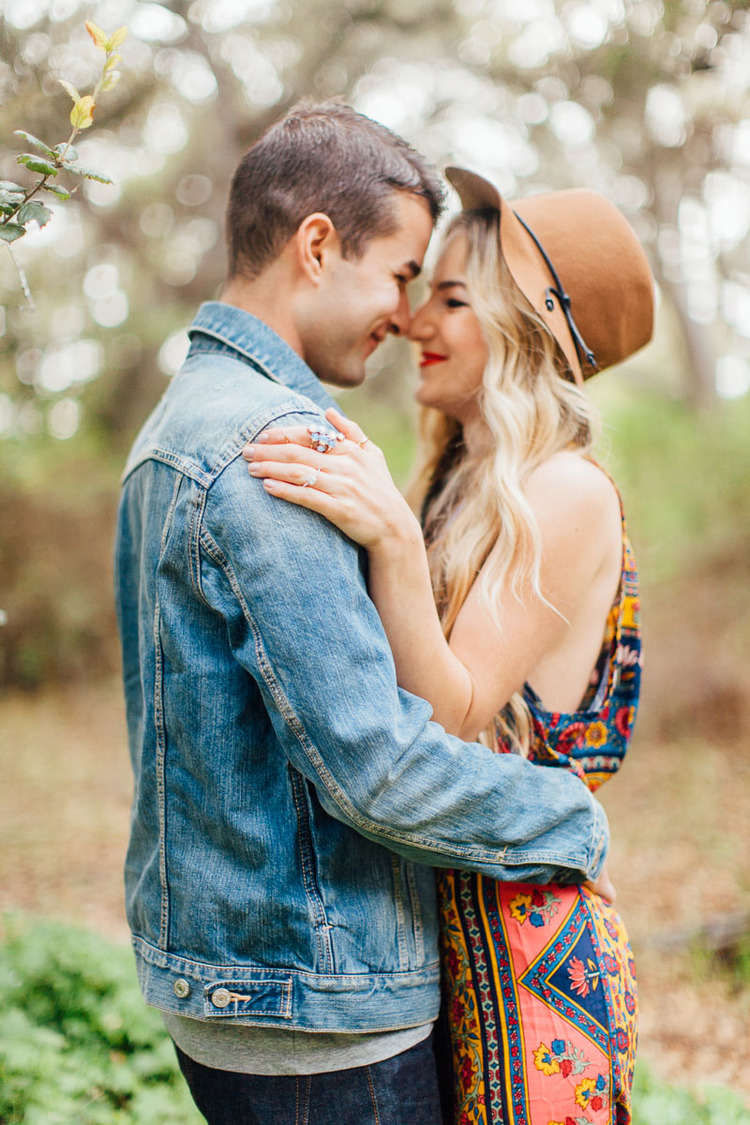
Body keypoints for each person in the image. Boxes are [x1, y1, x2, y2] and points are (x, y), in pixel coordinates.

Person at [115, 104, 611, 1125]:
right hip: (320, 1000)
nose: (410, 314)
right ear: (316, 246)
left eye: (443, 294)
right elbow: (377, 765)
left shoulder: (195, 420)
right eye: (403, 278)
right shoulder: (273, 449)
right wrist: (578, 821)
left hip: (335, 976)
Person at [243, 165, 654, 1124]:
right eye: (423, 292)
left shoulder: (566, 491)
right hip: (441, 940)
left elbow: (454, 711)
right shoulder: (462, 482)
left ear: (528, 330)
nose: (418, 323)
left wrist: (386, 534)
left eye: (455, 299)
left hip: (532, 961)